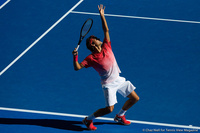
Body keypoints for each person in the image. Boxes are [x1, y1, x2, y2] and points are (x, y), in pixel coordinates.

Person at [72, 4, 139, 131]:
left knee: (135, 98)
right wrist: (75, 57)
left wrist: (102, 15)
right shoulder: (90, 58)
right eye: (96, 39)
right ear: (92, 43)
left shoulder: (106, 46)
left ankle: (120, 116)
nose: (99, 39)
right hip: (108, 84)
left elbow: (106, 30)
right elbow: (77, 68)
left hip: (118, 79)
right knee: (109, 109)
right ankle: (88, 119)